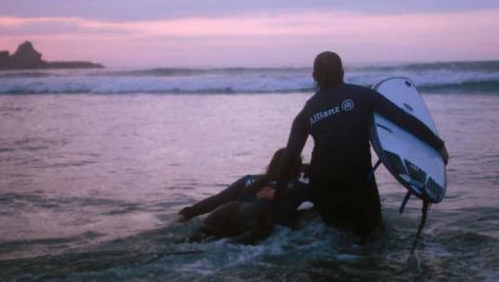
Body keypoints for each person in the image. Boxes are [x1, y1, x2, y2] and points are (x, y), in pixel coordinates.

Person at [273, 51, 449, 242]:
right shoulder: (363, 95)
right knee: (371, 235)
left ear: (314, 76)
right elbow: (403, 119)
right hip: (357, 178)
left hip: (323, 182)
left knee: (334, 236)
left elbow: (290, 157)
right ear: (342, 72)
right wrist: (437, 145)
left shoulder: (307, 111)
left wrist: (278, 195)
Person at [177, 148, 312, 244]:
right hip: (253, 215)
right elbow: (321, 197)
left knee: (200, 236)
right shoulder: (296, 185)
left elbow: (218, 199)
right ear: (297, 169)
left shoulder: (250, 179)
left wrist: (188, 213)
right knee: (227, 247)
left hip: (226, 210)